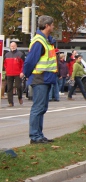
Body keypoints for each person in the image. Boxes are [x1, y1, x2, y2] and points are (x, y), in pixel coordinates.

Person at [22, 15, 58, 144]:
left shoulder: (46, 40)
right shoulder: (39, 42)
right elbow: (30, 61)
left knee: (42, 107)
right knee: (38, 108)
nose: (53, 27)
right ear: (47, 26)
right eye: (52, 25)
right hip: (40, 78)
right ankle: (35, 136)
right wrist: (26, 74)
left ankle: (38, 134)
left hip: (45, 78)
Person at [4, 41, 25, 107]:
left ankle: (20, 97)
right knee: (9, 88)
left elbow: (23, 64)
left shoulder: (20, 54)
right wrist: (6, 70)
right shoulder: (7, 55)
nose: (12, 47)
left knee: (18, 86)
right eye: (11, 46)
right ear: (10, 47)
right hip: (9, 73)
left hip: (18, 73)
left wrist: (22, 72)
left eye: (14, 46)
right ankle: (10, 102)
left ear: (16, 46)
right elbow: (5, 64)